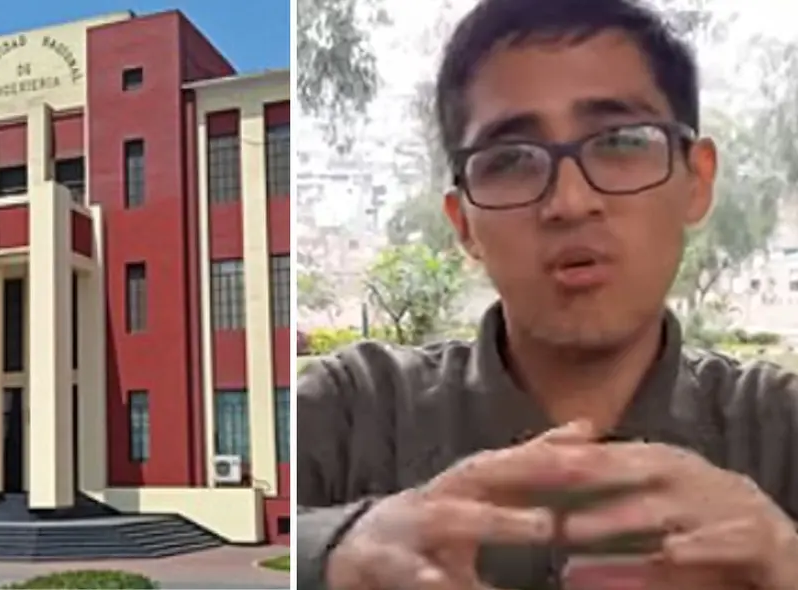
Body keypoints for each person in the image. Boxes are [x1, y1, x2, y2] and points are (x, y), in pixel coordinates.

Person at [295, 0, 798, 589]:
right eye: (510, 159)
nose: (569, 201)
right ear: (462, 224)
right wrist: (334, 553)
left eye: (620, 141)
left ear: (697, 180)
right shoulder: (351, 414)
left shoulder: (779, 431)